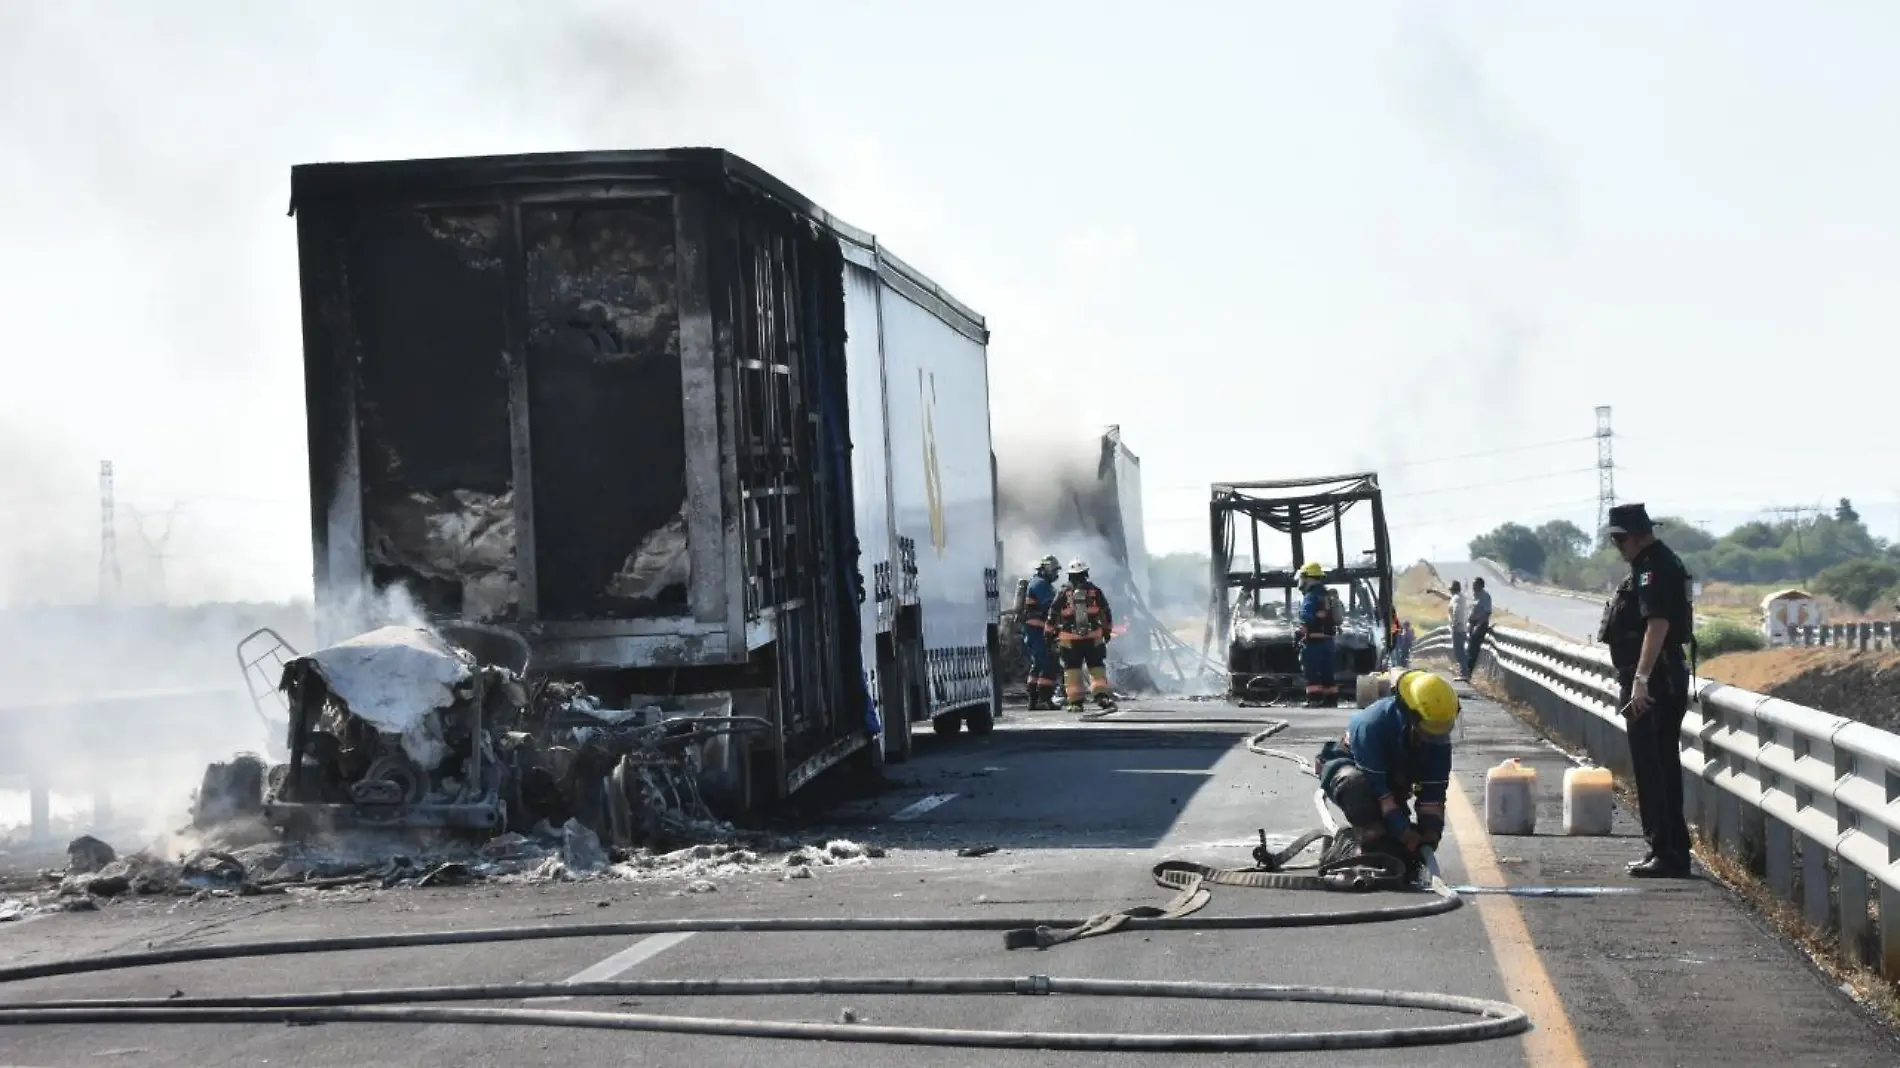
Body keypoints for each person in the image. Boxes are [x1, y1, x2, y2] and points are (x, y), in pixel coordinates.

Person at [1597, 503, 1695, 879]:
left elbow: (1658, 624)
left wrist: (1640, 679)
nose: (1618, 547)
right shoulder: (1651, 564)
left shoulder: (1654, 568)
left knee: (1656, 768)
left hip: (1655, 681)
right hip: (1654, 677)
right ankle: (1667, 848)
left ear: (1639, 535)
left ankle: (1668, 852)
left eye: (1621, 539)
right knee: (1655, 767)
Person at [1313, 669, 1460, 879]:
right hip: (1352, 772)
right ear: (1411, 717)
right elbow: (1382, 796)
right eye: (1427, 732)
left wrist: (1429, 835)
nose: (1434, 740)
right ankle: (1352, 847)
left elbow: (1433, 795)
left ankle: (1381, 847)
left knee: (1399, 852)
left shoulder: (1436, 735)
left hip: (1391, 780)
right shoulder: (1372, 725)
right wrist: (1404, 832)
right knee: (1369, 817)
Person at [1048, 558, 1117, 714]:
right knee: (1096, 667)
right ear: (1086, 573)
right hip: (1093, 638)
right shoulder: (1095, 591)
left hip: (1069, 640)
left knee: (1072, 670)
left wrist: (1049, 635)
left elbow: (1052, 614)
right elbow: (1105, 613)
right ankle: (1101, 696)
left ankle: (1075, 703)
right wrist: (1106, 632)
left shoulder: (1063, 592)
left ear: (1070, 575)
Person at [1019, 556, 1062, 710]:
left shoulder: (1042, 584)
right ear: (1045, 569)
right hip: (1037, 632)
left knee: (1038, 665)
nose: (1055, 573)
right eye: (1053, 570)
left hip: (1037, 631)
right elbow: (1052, 605)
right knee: (1046, 664)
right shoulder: (1040, 585)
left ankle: (1035, 700)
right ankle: (1043, 699)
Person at [1296, 561, 1339, 707]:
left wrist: (1299, 633)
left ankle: (1314, 700)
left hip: (1313, 642)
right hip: (1328, 642)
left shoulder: (1310, 596)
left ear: (1308, 578)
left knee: (1312, 672)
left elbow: (1305, 617)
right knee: (1328, 673)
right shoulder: (1327, 595)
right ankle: (1331, 700)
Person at [1461, 577, 1492, 681]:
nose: (1473, 587)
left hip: (1480, 625)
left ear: (1481, 585)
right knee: (1468, 648)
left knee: (1473, 649)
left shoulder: (1485, 596)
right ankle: (1465, 671)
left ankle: (1468, 673)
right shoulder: (1474, 596)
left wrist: (1478, 625)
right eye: (1473, 585)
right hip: (1472, 624)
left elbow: (1486, 613)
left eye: (1475, 585)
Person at [1447, 581, 1468, 670]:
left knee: (1458, 652)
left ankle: (1464, 672)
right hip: (1463, 628)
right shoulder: (1461, 597)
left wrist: (1454, 624)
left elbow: (1456, 610)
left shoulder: (1456, 598)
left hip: (1457, 628)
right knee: (1461, 650)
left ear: (1453, 590)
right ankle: (1464, 670)